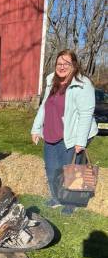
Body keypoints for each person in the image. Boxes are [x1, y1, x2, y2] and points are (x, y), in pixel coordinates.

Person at [31, 49, 98, 215]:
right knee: (51, 169)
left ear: (73, 65)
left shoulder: (83, 84)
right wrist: (36, 128)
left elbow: (86, 114)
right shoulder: (51, 81)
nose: (61, 67)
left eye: (66, 64)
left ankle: (70, 202)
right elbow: (44, 106)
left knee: (70, 171)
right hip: (51, 133)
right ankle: (56, 197)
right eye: (59, 64)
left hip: (72, 135)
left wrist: (80, 141)